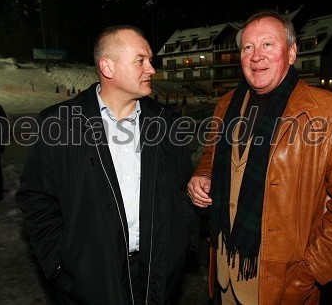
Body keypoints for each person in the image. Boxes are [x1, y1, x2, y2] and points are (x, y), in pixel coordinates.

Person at [187, 10, 332, 304]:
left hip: (282, 281)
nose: (256, 56)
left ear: (291, 53)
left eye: (268, 45)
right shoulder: (226, 104)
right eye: (248, 47)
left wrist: (311, 271)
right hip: (225, 269)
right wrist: (202, 173)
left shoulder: (331, 112)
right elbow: (212, 153)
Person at [15, 25, 200, 305]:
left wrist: (180, 246)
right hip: (91, 277)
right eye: (141, 60)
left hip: (157, 271)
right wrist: (59, 261)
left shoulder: (165, 122)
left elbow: (182, 189)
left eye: (150, 60)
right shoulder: (59, 124)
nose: (151, 69)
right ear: (108, 67)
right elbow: (37, 199)